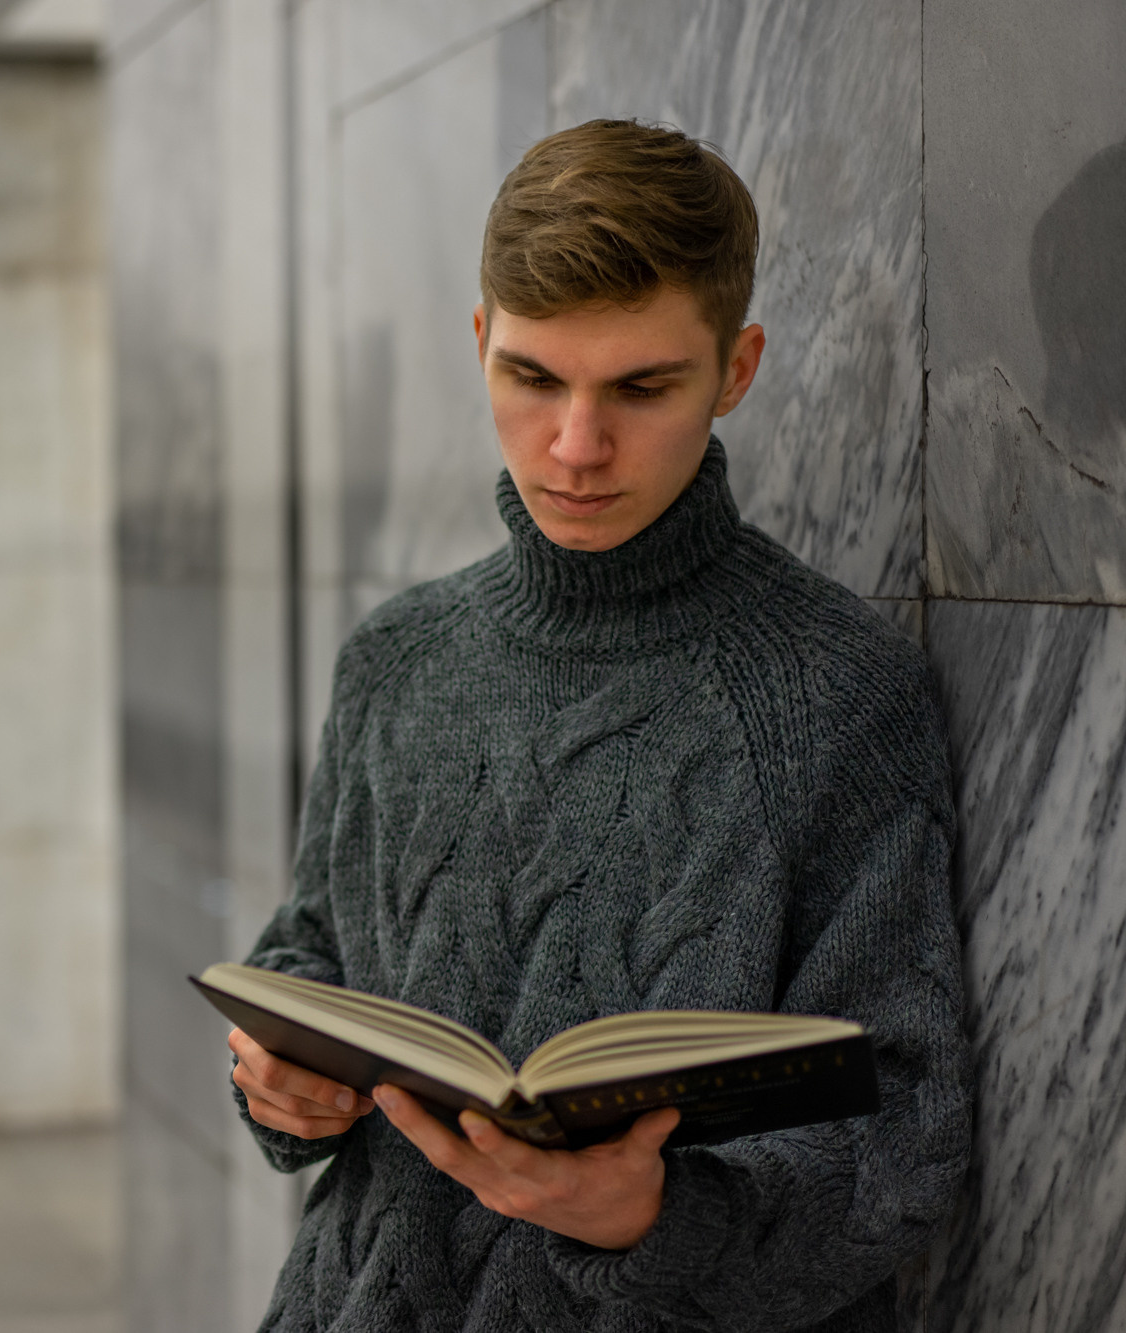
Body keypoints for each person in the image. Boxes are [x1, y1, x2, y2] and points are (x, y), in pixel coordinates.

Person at [227, 120, 970, 1332]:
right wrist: (278, 1079)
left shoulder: (836, 689)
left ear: (734, 371)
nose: (573, 448)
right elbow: (312, 948)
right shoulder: (396, 657)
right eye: (531, 377)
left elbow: (901, 1130)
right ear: (478, 344)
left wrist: (649, 1218)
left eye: (640, 386)